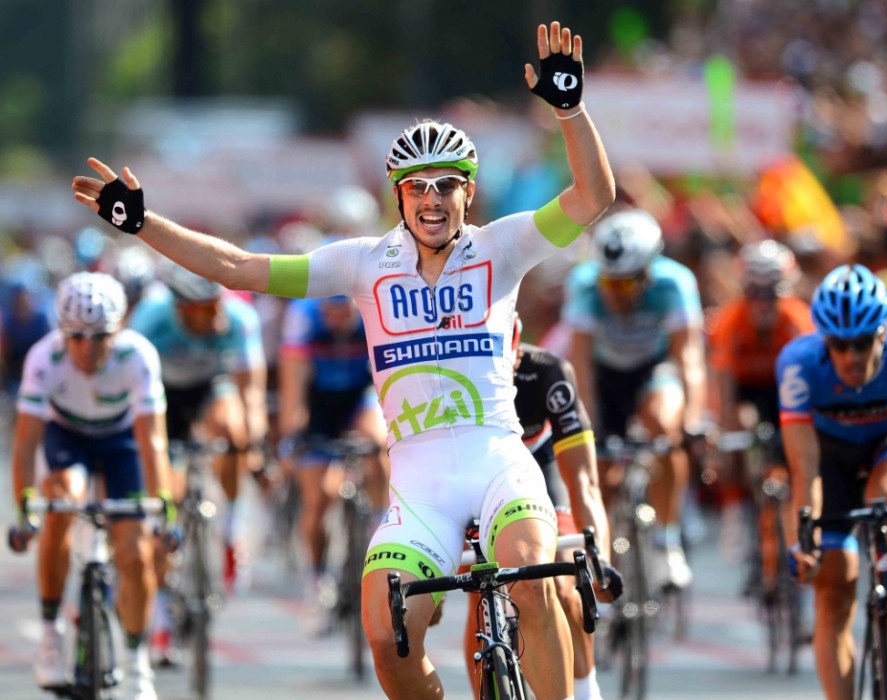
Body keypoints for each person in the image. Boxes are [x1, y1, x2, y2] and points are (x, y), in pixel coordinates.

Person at [71, 19, 614, 699]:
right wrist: (144, 224)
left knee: (532, 583)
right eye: (417, 187)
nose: (432, 199)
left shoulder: (500, 247)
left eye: (446, 185)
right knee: (386, 638)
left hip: (498, 461)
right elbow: (238, 266)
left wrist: (571, 111)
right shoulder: (363, 263)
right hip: (419, 482)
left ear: (468, 192)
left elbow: (593, 198)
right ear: (398, 194)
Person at [10, 271, 172, 700]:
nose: (87, 346)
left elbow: (153, 442)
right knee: (62, 502)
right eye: (76, 336)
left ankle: (137, 665)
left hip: (122, 442)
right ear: (62, 331)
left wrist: (164, 505)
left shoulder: (138, 355)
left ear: (118, 329)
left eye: (100, 336)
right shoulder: (44, 357)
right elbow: (25, 444)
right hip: (68, 440)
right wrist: (26, 506)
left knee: (135, 553)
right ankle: (51, 635)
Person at [778, 264, 887, 700]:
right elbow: (805, 466)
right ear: (823, 339)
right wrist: (803, 539)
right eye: (839, 345)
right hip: (831, 459)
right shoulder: (797, 363)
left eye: (862, 343)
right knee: (834, 588)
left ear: (883, 333)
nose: (851, 357)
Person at [459, 316, 618, 700]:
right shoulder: (452, 376)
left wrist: (599, 562)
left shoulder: (546, 372)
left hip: (540, 469)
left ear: (517, 347)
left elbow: (584, 483)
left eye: (506, 355)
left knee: (561, 584)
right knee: (478, 593)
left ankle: (585, 690)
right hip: (474, 474)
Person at [563, 208, 707, 590]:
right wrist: (588, 429)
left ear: (648, 274)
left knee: (666, 428)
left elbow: (689, 358)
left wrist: (692, 421)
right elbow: (581, 366)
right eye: (608, 282)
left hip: (652, 370)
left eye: (626, 284)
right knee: (602, 474)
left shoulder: (675, 283)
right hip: (605, 376)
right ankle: (604, 563)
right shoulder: (585, 284)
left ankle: (666, 542)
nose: (614, 293)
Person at [128, 261, 268, 596]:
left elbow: (251, 395)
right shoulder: (150, 319)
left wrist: (254, 444)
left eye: (219, 303)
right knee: (168, 495)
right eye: (207, 309)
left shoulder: (239, 318)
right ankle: (163, 595)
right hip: (163, 398)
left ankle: (230, 530)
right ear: (183, 309)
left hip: (210, 387)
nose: (218, 314)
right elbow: (129, 392)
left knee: (233, 431)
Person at [277, 294, 388, 633]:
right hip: (319, 402)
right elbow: (293, 380)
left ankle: (380, 527)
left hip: (360, 396)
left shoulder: (372, 308)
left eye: (344, 313)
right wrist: (292, 435)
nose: (338, 320)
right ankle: (316, 581)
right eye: (331, 313)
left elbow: (389, 376)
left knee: (377, 443)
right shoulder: (302, 314)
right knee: (319, 497)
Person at [706, 240, 814, 581]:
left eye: (773, 293)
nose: (764, 302)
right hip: (744, 390)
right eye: (754, 292)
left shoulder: (799, 320)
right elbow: (724, 388)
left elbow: (809, 388)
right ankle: (736, 508)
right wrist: (727, 441)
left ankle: (795, 526)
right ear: (743, 290)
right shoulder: (729, 321)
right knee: (737, 428)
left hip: (785, 390)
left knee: (797, 453)